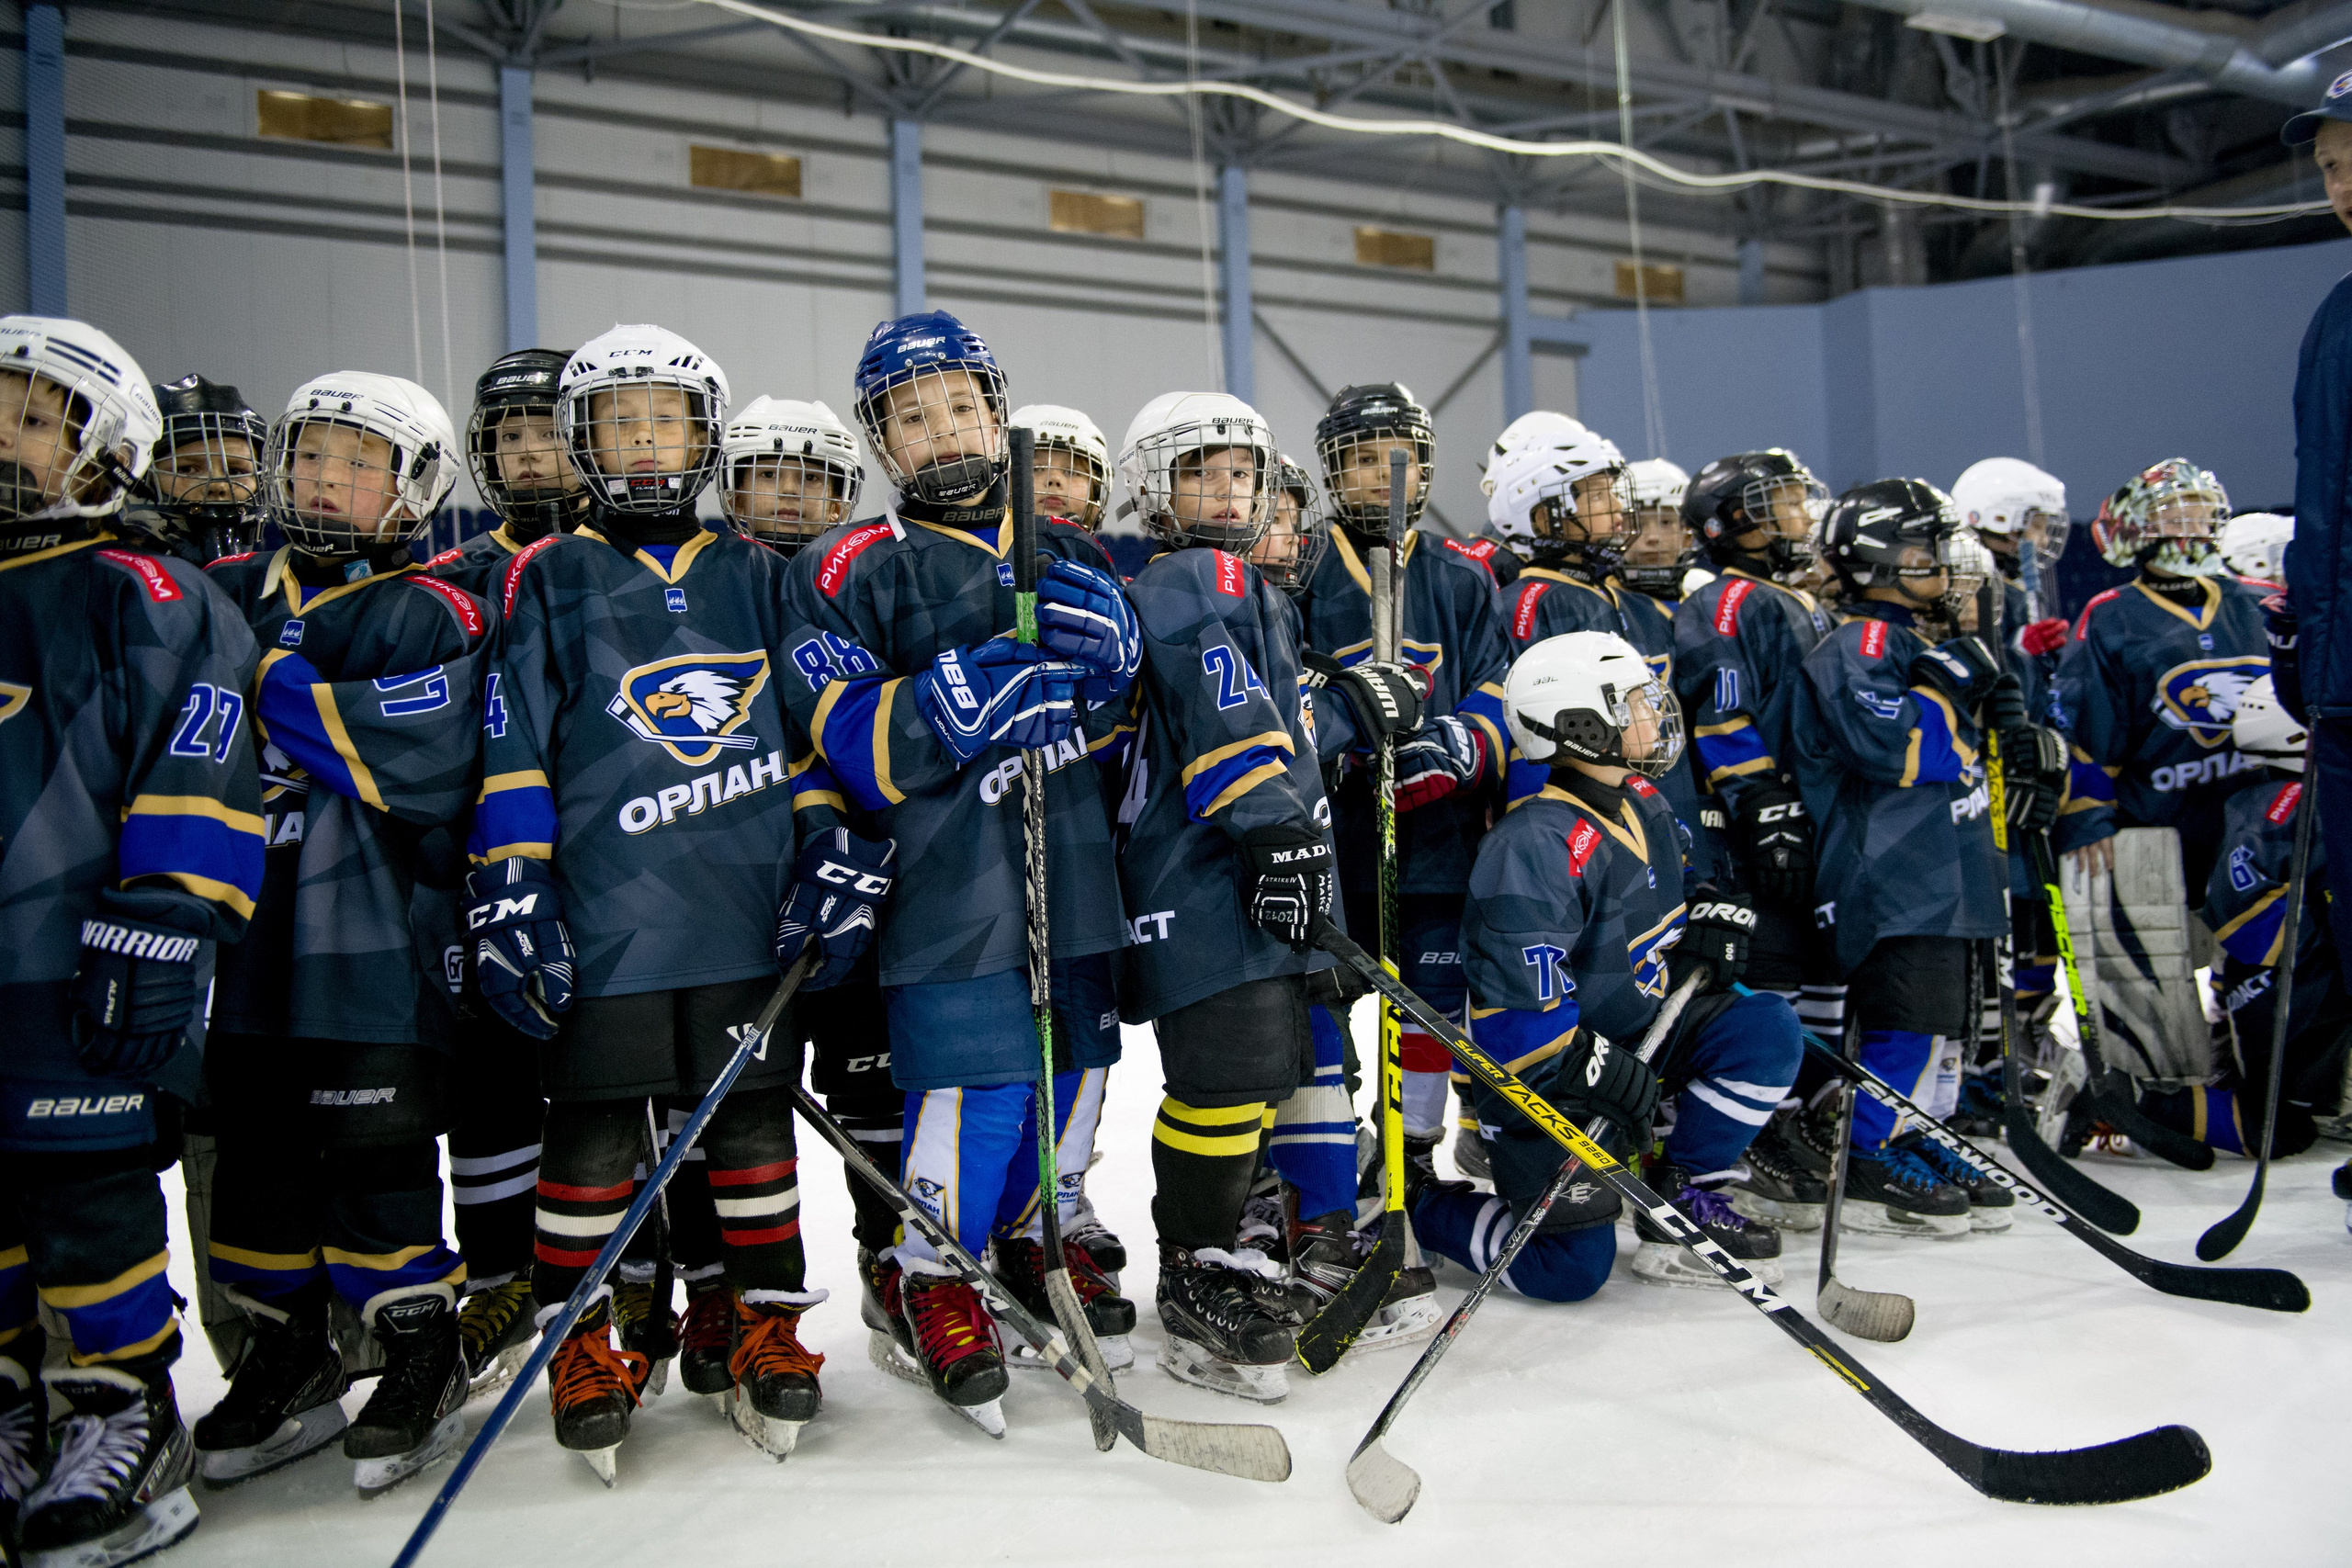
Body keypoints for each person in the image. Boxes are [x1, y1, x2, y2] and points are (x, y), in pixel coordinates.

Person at [468, 323, 887, 1472]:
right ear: (582, 442)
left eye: (668, 420)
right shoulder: (546, 577)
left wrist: (826, 851)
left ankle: (762, 1319)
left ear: (706, 438)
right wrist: (513, 881)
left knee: (750, 1122)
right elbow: (514, 743)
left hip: (745, 914)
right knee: (595, 1127)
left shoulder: (760, 574)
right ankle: (578, 1338)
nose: (646, 444)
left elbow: (805, 739)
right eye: (621, 422)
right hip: (607, 918)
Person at [775, 311, 1139, 1434]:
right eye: (912, 418)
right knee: (980, 1084)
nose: (943, 432)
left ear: (998, 407)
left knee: (1074, 1072)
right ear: (883, 442)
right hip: (947, 881)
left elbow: (1126, 723)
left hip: (1072, 866)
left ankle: (1031, 1243)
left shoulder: (1071, 549)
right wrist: (942, 709)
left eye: (961, 407)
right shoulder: (849, 565)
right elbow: (830, 719)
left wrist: (1121, 671)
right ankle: (929, 1275)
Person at [198, 372, 491, 1495]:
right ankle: (288, 1355)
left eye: (360, 463)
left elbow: (421, 763)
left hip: (371, 938)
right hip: (241, 938)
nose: (328, 478)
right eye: (314, 455)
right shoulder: (215, 590)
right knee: (259, 1158)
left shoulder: (437, 608)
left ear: (411, 487)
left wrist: (268, 687)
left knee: (376, 1150)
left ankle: (420, 1343)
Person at [0, 316, 263, 1568]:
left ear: (104, 448)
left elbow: (204, 745)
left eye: (30, 418)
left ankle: (125, 1405)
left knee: (85, 1191)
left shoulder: (144, 587)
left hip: (75, 953)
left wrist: (163, 917)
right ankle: (13, 1409)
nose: (1, 438)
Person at [1416, 631, 1800, 1299]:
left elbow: (1669, 900)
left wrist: (1710, 916)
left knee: (1765, 1028)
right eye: (1635, 703)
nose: (1656, 714)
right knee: (1568, 1270)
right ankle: (1417, 1207)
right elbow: (1515, 1032)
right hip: (1544, 1078)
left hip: (1634, 1036)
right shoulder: (1533, 845)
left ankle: (1681, 1193)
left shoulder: (1644, 803)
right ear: (1582, 724)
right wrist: (1598, 1068)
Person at [1105, 391, 1347, 1400]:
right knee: (1224, 1073)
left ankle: (1232, 1254)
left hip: (1252, 860)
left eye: (1241, 472)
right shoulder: (1183, 575)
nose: (1227, 489)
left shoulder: (1258, 586)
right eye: (1200, 472)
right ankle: (1196, 1268)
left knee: (1262, 1071)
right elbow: (1219, 708)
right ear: (1156, 493)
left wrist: (1347, 712)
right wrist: (1277, 831)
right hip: (1199, 867)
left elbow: (1280, 723)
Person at [1793, 479, 2040, 1235]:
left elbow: (1963, 752)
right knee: (1905, 1022)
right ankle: (1865, 1151)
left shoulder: (1919, 641)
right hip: (1890, 872)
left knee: (1943, 1027)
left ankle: (1913, 1132)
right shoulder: (1864, 640)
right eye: (1925, 551)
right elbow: (1896, 749)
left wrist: (2009, 724)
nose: (1942, 564)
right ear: (1878, 561)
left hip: (1945, 867)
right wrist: (1948, 694)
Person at [424, 347, 589, 1402]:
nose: (530, 456)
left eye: (547, 433)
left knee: (606, 1088)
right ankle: (495, 1277)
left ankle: (625, 1277)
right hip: (482, 867)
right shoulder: (449, 580)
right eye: (510, 438)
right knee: (490, 1083)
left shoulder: (620, 563)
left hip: (615, 862)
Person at [1296, 384, 1510, 1192]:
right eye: (1357, 460)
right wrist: (1340, 748)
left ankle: (1411, 1149)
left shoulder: (1459, 578)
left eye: (1398, 457)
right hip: (1335, 837)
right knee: (1323, 1002)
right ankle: (1322, 1155)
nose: (1380, 475)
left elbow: (1496, 685)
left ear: (1423, 466)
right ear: (1331, 472)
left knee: (1431, 996)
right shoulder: (1308, 568)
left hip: (1440, 839)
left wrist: (1461, 742)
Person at [2052, 458, 2268, 1083]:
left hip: (2251, 819)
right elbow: (2085, 728)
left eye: (2201, 508)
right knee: (2149, 993)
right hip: (2155, 824)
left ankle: (2272, 1067)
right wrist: (2090, 815)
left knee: (2270, 955)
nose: (2192, 522)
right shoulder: (2113, 613)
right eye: (2175, 510)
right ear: (2134, 528)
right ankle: (2154, 1089)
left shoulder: (2256, 602)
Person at [1668, 450, 1845, 1207]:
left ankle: (1802, 1109)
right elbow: (1722, 709)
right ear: (1733, 518)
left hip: (1819, 817)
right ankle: (1757, 1124)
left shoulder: (1796, 597)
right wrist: (1763, 801)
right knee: (1766, 968)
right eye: (1782, 501)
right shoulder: (1727, 600)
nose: (1800, 513)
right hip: (1755, 829)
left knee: (1818, 967)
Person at [2134, 676, 2346, 1160]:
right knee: (2278, 1130)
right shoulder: (2282, 805)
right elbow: (2241, 919)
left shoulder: (2303, 792)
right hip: (2288, 997)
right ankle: (2128, 1098)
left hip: (2307, 991)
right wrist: (2327, 943)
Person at [1948, 456, 2073, 1124]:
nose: (2036, 535)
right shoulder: (1962, 581)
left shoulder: (2014, 588)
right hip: (1972, 784)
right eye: (2027, 521)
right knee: (1991, 924)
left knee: (2030, 923)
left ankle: (2014, 1048)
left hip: (2010, 774)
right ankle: (1984, 1058)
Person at [129, 376, 268, 565]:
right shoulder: (108, 577)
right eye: (188, 469)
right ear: (143, 477)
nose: (218, 485)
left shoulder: (282, 570)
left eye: (236, 471)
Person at [718, 397, 865, 557]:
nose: (789, 490)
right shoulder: (715, 576)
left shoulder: (857, 578)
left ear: (836, 507)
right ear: (737, 500)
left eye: (810, 477)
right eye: (768, 474)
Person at [1011, 403, 1111, 532]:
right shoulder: (981, 551)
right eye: (1036, 469)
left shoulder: (1098, 553)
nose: (1054, 479)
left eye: (1071, 472)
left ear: (1095, 492)